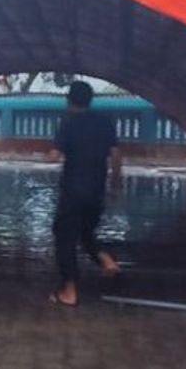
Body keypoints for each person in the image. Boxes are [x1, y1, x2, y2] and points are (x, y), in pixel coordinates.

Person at [48, 81, 122, 307]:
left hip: (73, 189)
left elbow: (54, 156)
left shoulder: (68, 124)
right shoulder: (104, 122)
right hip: (96, 189)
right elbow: (116, 154)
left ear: (70, 101)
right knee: (86, 230)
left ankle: (69, 292)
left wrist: (50, 152)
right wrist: (116, 182)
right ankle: (105, 260)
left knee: (64, 236)